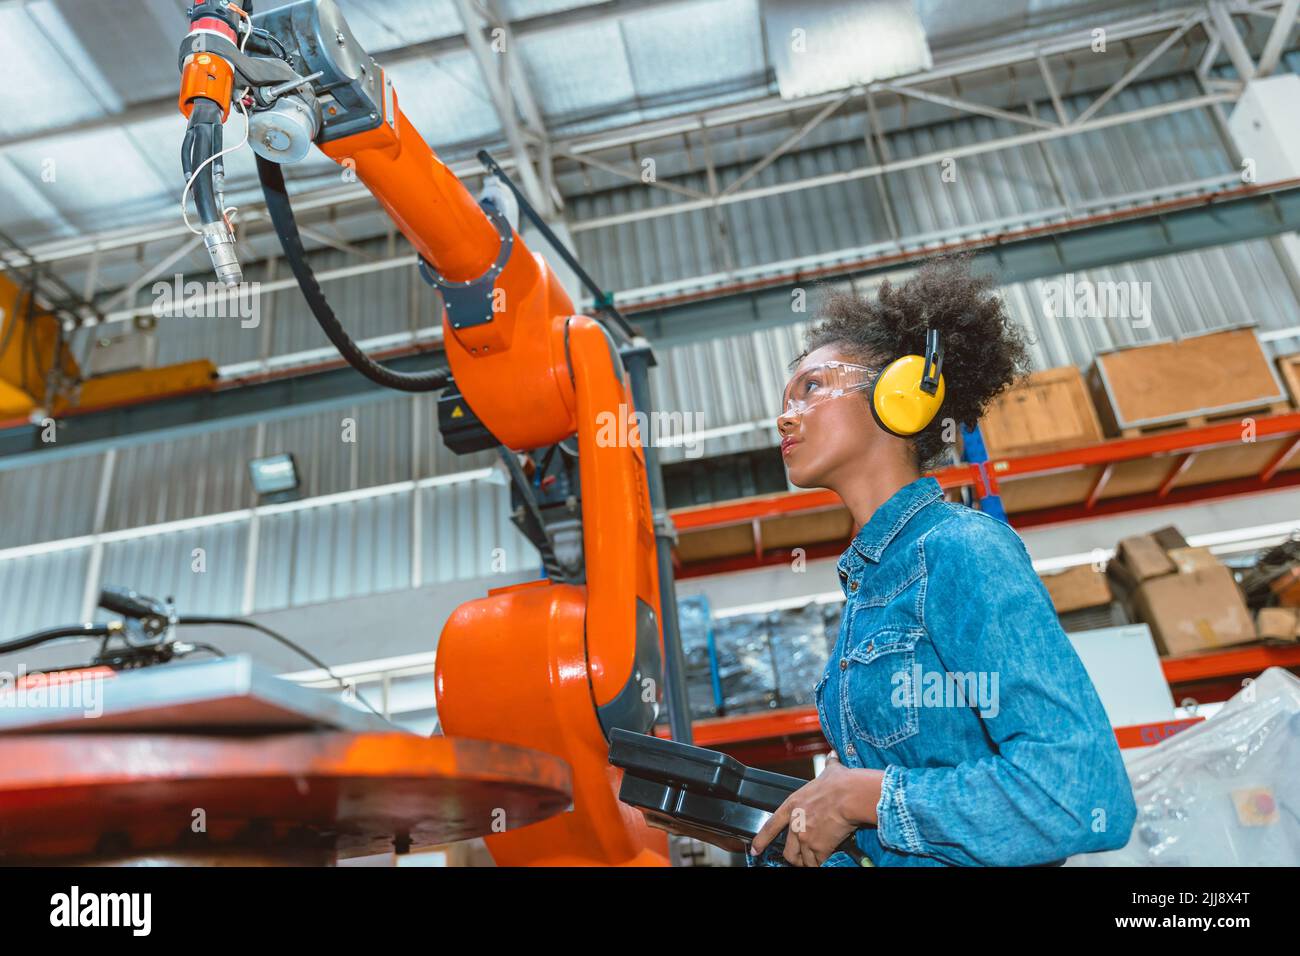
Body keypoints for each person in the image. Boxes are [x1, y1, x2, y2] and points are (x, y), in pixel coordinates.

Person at [751, 258, 1137, 867]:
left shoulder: (960, 550)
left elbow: (1081, 793)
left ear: (901, 394)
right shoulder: (870, 589)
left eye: (814, 386)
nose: (785, 415)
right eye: (786, 397)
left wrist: (868, 797)